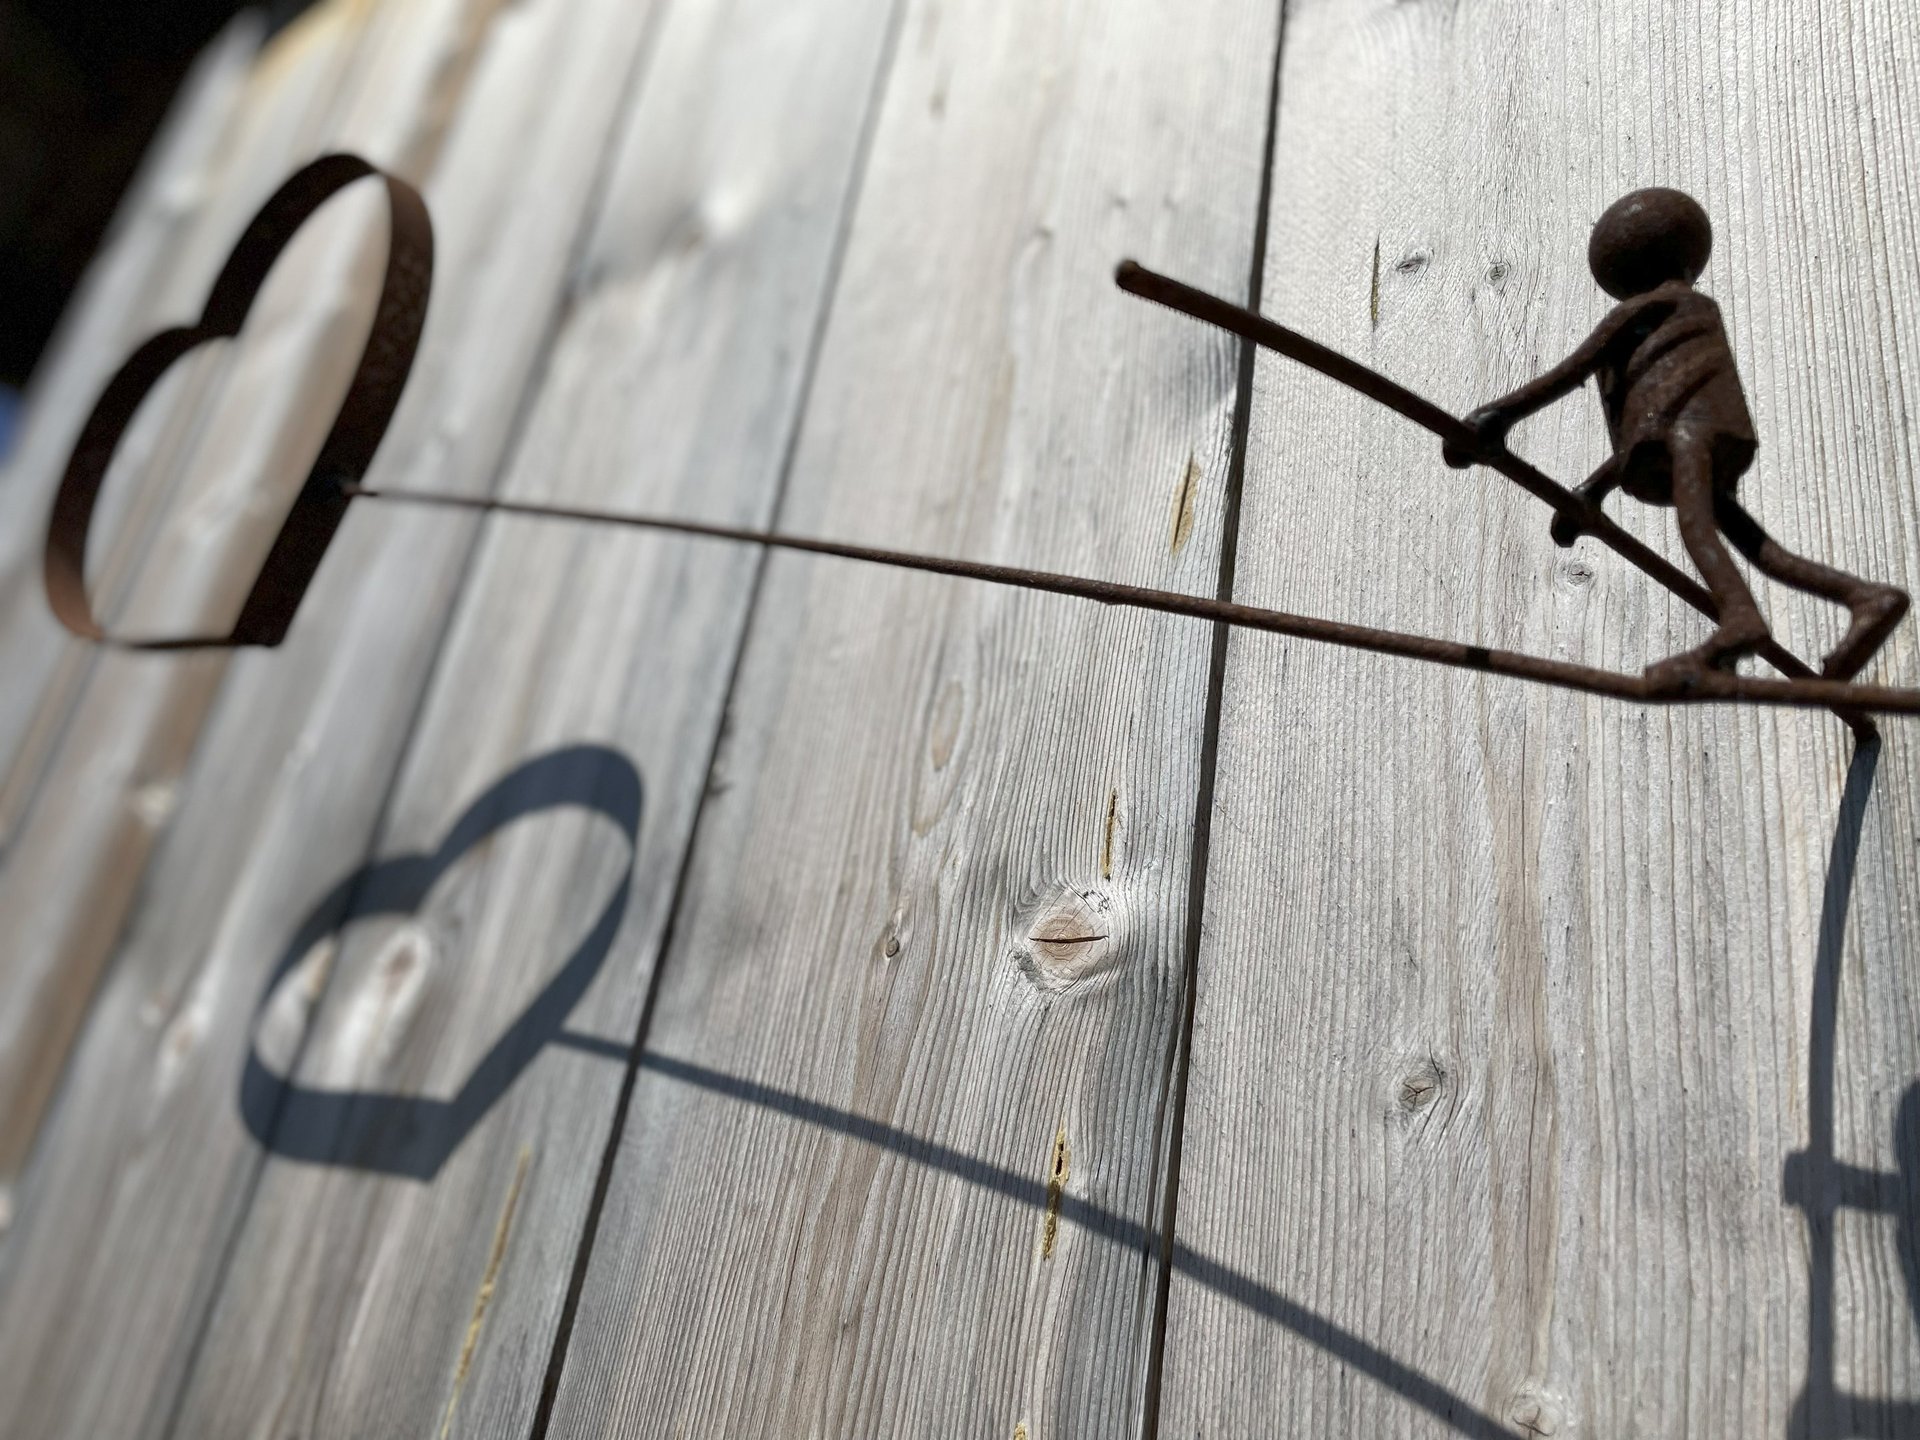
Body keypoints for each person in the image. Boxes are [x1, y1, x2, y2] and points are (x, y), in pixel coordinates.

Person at [1444, 187, 1908, 685]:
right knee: (1756, 544)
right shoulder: (1693, 307)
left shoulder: (1645, 311)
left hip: (1688, 433)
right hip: (1705, 434)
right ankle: (1864, 598)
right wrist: (1595, 489)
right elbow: (1641, 423)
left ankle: (1740, 621)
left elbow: (1571, 370)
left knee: (1696, 528)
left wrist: (1498, 416)